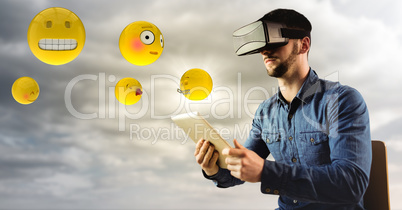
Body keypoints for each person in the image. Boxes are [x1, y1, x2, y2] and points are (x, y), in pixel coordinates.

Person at [194, 8, 371, 210]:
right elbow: (240, 171)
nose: (265, 51)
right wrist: (213, 168)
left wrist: (266, 172)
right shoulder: (265, 112)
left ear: (303, 45)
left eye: (275, 41)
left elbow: (350, 184)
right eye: (262, 44)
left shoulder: (341, 100)